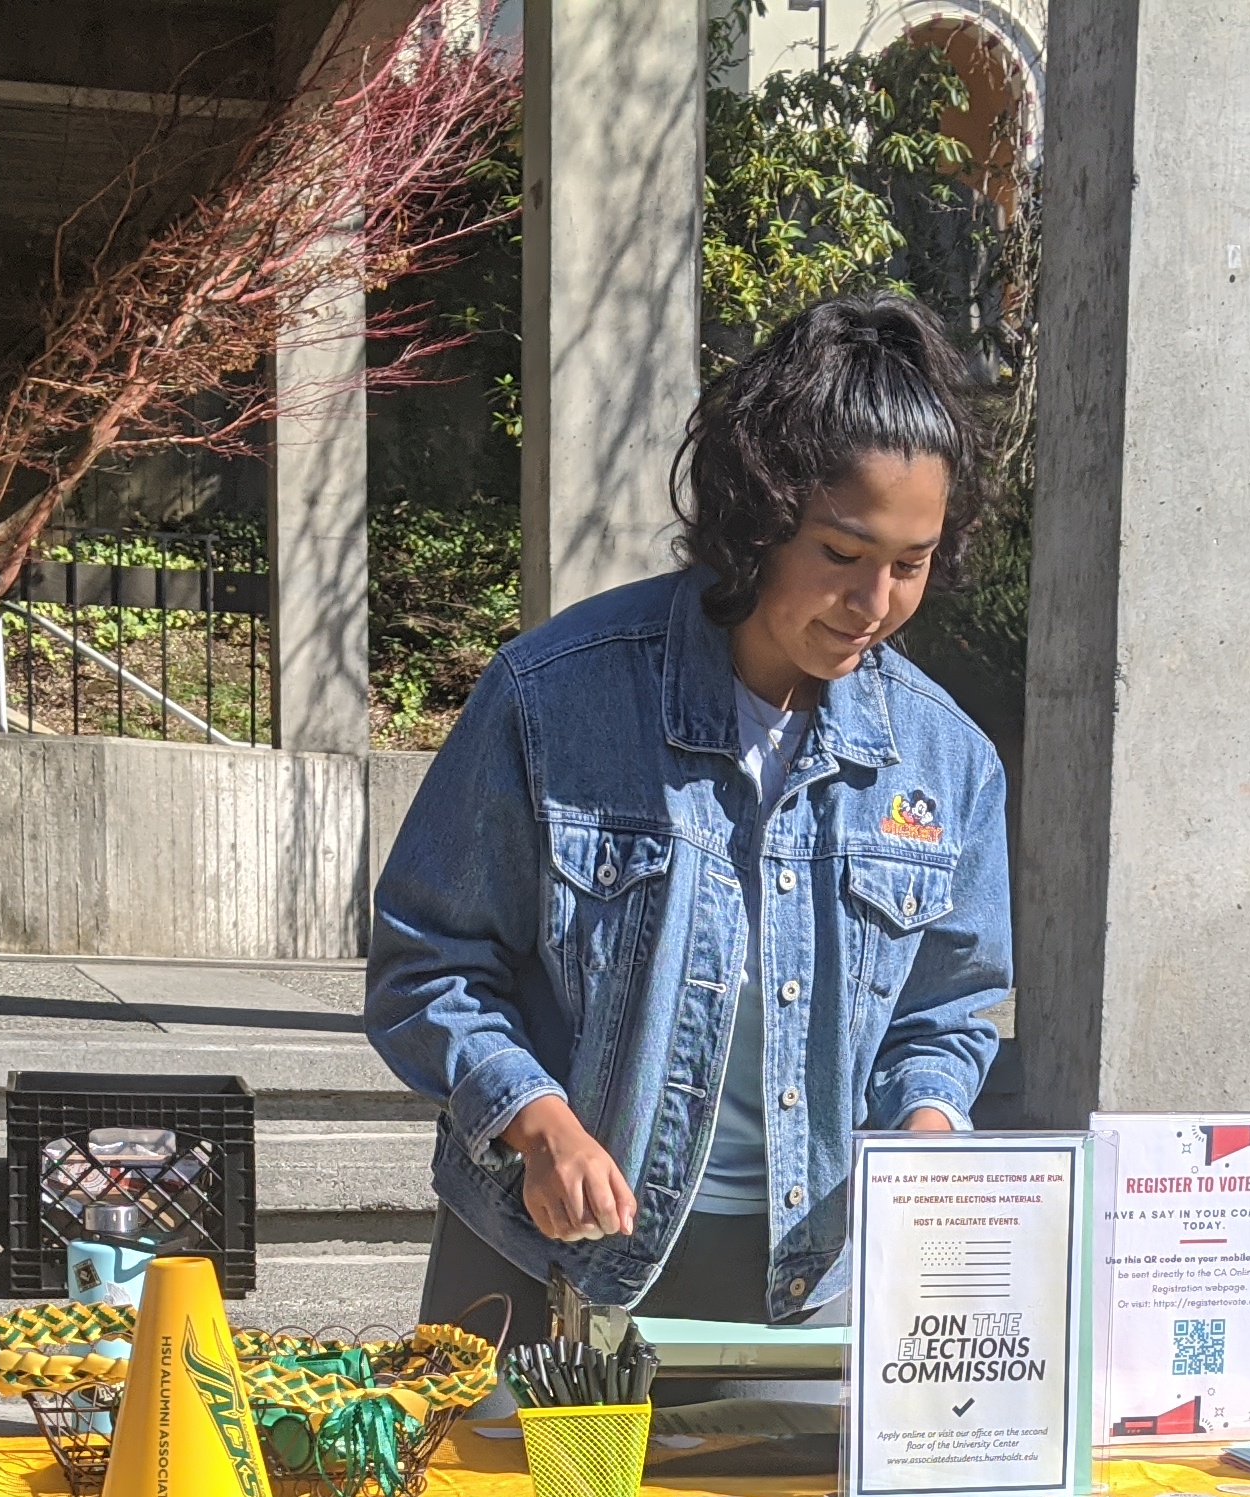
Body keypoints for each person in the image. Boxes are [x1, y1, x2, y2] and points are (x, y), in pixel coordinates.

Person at [364, 295, 1012, 1330]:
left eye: (911, 563)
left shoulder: (949, 763)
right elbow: (426, 965)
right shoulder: (554, 698)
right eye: (841, 555)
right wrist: (536, 1122)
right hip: (549, 1262)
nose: (874, 602)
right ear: (757, 520)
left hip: (815, 1286)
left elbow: (946, 1014)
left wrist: (930, 1120)